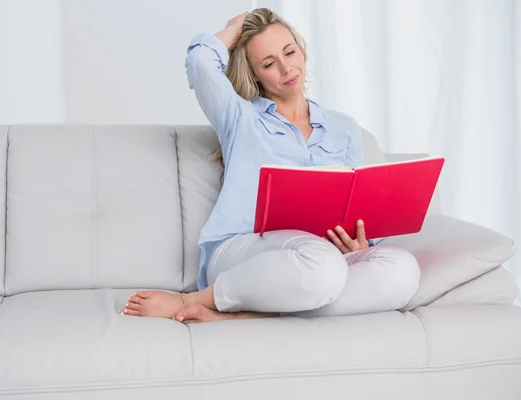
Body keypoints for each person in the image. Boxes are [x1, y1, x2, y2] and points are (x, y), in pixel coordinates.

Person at [122, 8, 420, 323]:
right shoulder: (240, 119)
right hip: (244, 253)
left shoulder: (344, 128)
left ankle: (251, 314)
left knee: (402, 269)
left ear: (302, 50)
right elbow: (200, 64)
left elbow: (358, 203)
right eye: (268, 63)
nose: (285, 67)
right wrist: (236, 30)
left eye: (289, 52)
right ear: (254, 74)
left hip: (315, 263)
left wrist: (361, 243)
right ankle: (194, 299)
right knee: (324, 266)